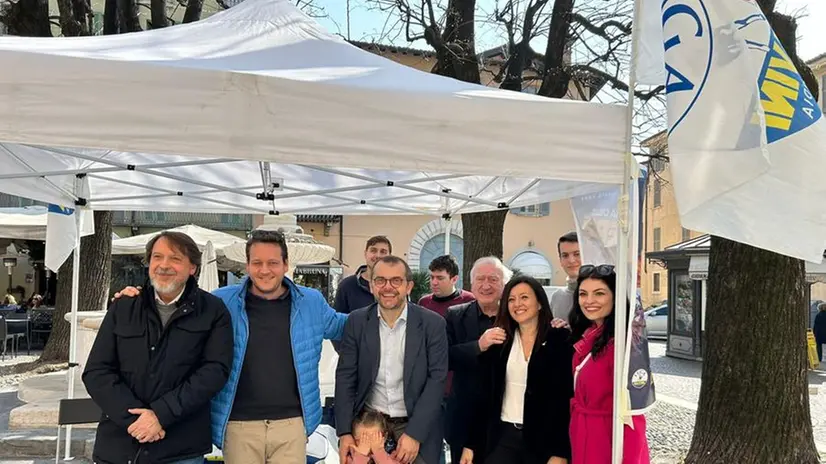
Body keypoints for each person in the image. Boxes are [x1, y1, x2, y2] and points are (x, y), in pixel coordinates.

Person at [114, 229, 348, 463]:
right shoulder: (221, 301)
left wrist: (381, 304)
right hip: (238, 425)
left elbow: (347, 327)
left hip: (292, 425)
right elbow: (177, 310)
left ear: (286, 264)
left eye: (273, 262)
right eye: (257, 262)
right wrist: (139, 298)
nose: (264, 270)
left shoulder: (311, 302)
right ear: (247, 265)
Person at [83, 231, 234, 464]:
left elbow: (214, 372)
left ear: (193, 267)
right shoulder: (124, 307)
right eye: (157, 257)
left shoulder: (213, 311)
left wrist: (161, 415)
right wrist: (135, 420)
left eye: (175, 258)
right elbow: (97, 372)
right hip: (121, 445)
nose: (164, 265)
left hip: (180, 447)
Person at [336, 255, 448, 464]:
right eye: (380, 280)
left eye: (396, 280)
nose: (388, 287)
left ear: (409, 286)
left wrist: (415, 434)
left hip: (415, 424)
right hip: (369, 424)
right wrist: (344, 432)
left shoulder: (433, 325)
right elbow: (345, 377)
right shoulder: (357, 322)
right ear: (372, 286)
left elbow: (437, 381)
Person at [461, 275, 573, 464]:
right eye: (511, 299)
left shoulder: (559, 339)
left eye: (524, 297)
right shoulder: (499, 342)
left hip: (542, 442)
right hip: (503, 438)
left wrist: (560, 451)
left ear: (539, 303)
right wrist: (471, 444)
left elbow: (563, 400)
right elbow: (484, 397)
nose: (517, 304)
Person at [568, 264, 650, 464]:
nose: (589, 301)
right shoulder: (588, 336)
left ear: (615, 297)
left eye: (599, 293)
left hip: (608, 441)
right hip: (583, 435)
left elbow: (633, 413)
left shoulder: (624, 345)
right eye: (583, 294)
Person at [442, 256, 510, 464]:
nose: (486, 285)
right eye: (480, 279)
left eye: (493, 279)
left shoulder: (516, 316)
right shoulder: (455, 315)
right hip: (465, 418)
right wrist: (478, 346)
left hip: (505, 418)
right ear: (471, 284)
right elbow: (445, 358)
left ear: (504, 284)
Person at [335, 235, 392, 314]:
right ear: (365, 254)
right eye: (373, 250)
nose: (378, 255)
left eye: (383, 252)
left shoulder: (397, 286)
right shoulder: (347, 286)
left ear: (390, 256)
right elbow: (340, 322)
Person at [550, 232, 582, 323]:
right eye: (565, 255)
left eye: (577, 254)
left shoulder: (601, 294)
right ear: (560, 260)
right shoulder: (557, 297)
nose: (571, 260)